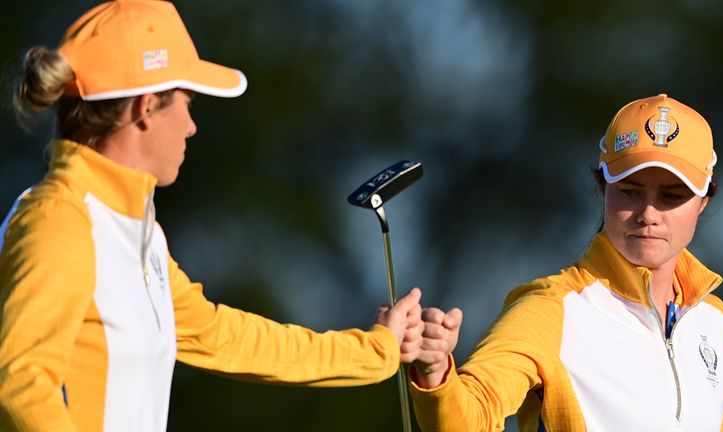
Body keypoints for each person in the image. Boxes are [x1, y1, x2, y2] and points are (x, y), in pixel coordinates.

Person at [0, 1, 423, 431]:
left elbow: (222, 337)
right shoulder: (59, 220)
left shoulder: (138, 232)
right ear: (145, 108)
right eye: (187, 102)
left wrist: (377, 348)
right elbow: (22, 382)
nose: (191, 126)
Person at [406, 94, 723, 431]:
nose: (648, 214)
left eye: (671, 197)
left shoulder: (714, 321)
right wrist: (436, 375)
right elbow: (472, 416)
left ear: (703, 200)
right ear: (603, 187)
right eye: (630, 191)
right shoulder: (551, 308)